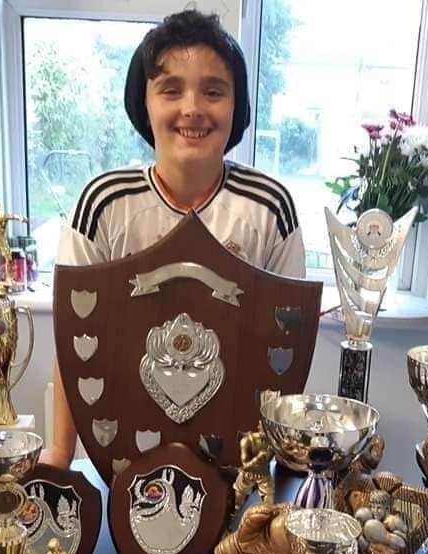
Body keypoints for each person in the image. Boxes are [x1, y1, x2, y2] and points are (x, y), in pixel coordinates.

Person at [43, 9, 306, 468]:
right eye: (170, 89)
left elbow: (285, 347)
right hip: (126, 455)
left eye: (213, 91)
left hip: (235, 462)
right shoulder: (103, 204)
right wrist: (59, 454)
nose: (192, 108)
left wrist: (281, 467)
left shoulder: (270, 208)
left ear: (237, 106)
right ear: (142, 104)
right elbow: (73, 338)